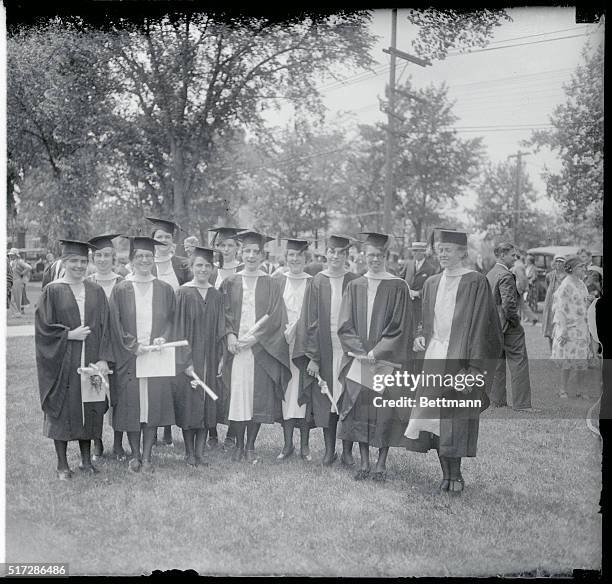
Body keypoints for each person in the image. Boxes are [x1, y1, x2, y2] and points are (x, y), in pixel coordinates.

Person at [405, 229, 502, 494]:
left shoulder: (475, 282)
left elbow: (485, 327)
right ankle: (445, 474)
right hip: (435, 355)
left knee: (454, 418)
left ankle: (455, 475)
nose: (443, 253)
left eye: (448, 249)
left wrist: (473, 369)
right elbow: (426, 321)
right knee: (435, 417)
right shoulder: (432, 282)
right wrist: (420, 337)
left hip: (461, 357)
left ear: (462, 252)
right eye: (440, 248)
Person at [337, 232, 412, 482]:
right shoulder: (355, 285)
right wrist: (360, 352)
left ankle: (381, 462)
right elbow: (345, 324)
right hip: (359, 359)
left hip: (385, 360)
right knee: (360, 408)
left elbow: (400, 327)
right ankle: (364, 462)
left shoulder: (398, 286)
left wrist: (376, 352)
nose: (375, 260)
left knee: (384, 410)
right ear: (363, 256)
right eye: (371, 255)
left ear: (386, 256)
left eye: (380, 256)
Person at [35, 239, 113, 479]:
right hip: (63, 361)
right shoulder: (53, 290)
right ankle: (62, 465)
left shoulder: (96, 290)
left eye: (82, 261)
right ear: (64, 262)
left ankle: (86, 461)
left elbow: (106, 326)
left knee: (89, 406)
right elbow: (43, 329)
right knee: (63, 408)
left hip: (90, 359)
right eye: (73, 261)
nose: (79, 265)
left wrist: (103, 359)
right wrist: (69, 334)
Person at [219, 230, 291, 463]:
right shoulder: (231, 281)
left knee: (257, 398)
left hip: (260, 349)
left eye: (255, 252)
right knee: (238, 396)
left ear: (262, 255)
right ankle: (238, 445)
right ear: (241, 252)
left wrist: (256, 339)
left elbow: (276, 316)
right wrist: (229, 336)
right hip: (236, 349)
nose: (251, 256)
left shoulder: (270, 283)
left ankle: (250, 446)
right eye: (247, 251)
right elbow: (224, 314)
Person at [109, 236, 177, 473]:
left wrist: (164, 338)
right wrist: (131, 344)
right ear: (132, 259)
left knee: (152, 406)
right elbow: (114, 323)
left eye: (148, 256)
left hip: (155, 356)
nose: (145, 260)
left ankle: (147, 456)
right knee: (131, 406)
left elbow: (171, 320)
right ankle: (135, 455)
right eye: (139, 256)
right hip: (131, 356)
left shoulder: (164, 289)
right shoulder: (121, 289)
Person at [304, 235, 359, 466]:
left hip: (348, 351)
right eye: (332, 251)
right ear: (326, 253)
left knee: (348, 398)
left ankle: (347, 450)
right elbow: (312, 321)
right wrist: (314, 358)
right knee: (328, 399)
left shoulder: (355, 281)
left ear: (347, 256)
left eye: (340, 252)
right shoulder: (318, 280)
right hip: (326, 350)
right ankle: (329, 450)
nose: (335, 256)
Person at [172, 246, 224, 466]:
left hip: (210, 359)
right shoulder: (183, 292)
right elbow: (177, 329)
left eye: (207, 266)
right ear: (191, 267)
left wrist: (222, 358)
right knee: (189, 405)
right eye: (199, 265)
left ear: (212, 269)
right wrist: (184, 361)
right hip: (188, 360)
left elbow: (222, 328)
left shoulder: (216, 295)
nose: (203, 269)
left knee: (205, 406)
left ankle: (200, 453)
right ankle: (188, 452)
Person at [146, 216, 191, 446]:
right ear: (152, 240)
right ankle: (155, 430)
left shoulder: (182, 265)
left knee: (175, 380)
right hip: (154, 330)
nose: (163, 240)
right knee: (156, 380)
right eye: (159, 236)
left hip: (178, 328)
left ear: (173, 241)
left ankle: (168, 431)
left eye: (167, 237)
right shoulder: (145, 262)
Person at [273, 239, 313, 461]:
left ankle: (305, 446)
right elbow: (273, 311)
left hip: (305, 349)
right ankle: (287, 444)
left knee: (303, 392)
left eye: (299, 255)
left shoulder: (313, 283)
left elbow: (316, 315)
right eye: (291, 256)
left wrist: (300, 329)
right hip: (284, 345)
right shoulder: (278, 281)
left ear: (306, 259)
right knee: (286, 394)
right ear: (286, 258)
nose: (295, 259)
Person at [487, 243, 538, 412]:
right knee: (519, 362)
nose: (515, 258)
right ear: (502, 254)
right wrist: (516, 323)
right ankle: (522, 404)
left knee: (497, 364)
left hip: (493, 327)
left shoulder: (489, 274)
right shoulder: (506, 275)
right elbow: (509, 305)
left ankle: (497, 401)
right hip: (508, 327)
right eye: (512, 255)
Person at [87, 233, 125, 461]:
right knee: (95, 396)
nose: (102, 259)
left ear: (114, 258)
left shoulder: (123, 282)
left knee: (119, 397)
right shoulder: (87, 282)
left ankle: (119, 443)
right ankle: (96, 441)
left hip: (119, 348)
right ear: (93, 257)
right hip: (94, 348)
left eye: (107, 255)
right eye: (98, 255)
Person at [206, 225, 245, 449]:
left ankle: (232, 432)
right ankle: (211, 432)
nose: (226, 249)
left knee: (233, 383)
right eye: (222, 245)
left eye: (231, 245)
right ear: (216, 246)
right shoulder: (210, 271)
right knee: (211, 379)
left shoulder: (242, 270)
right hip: (211, 334)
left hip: (234, 334)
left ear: (237, 248)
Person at [551, 256, 592, 399]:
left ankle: (581, 390)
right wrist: (562, 330)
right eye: (581, 267)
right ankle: (563, 390)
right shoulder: (566, 285)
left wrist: (589, 300)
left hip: (581, 327)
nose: (584, 269)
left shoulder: (581, 284)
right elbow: (560, 309)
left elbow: (582, 302)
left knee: (582, 361)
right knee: (567, 361)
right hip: (569, 328)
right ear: (573, 269)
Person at [405, 241, 439, 371]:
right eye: (413, 251)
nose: (414, 254)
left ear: (423, 252)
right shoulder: (408, 265)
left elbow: (432, 289)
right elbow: (401, 279)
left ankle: (418, 370)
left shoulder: (431, 268)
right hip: (407, 308)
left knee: (418, 337)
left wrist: (418, 293)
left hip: (421, 309)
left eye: (417, 251)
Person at [542, 255, 567, 350]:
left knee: (561, 327)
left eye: (561, 261)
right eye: (557, 261)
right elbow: (547, 287)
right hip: (551, 305)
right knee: (550, 329)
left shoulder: (567, 276)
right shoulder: (550, 275)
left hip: (563, 305)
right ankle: (552, 351)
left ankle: (561, 351)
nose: (559, 263)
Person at [8, 248, 31, 318]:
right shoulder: (12, 262)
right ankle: (16, 313)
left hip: (17, 281)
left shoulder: (19, 261)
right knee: (11, 298)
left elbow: (29, 267)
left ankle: (17, 313)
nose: (10, 256)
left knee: (17, 298)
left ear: (16, 255)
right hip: (12, 281)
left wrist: (22, 273)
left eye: (12, 255)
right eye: (10, 255)